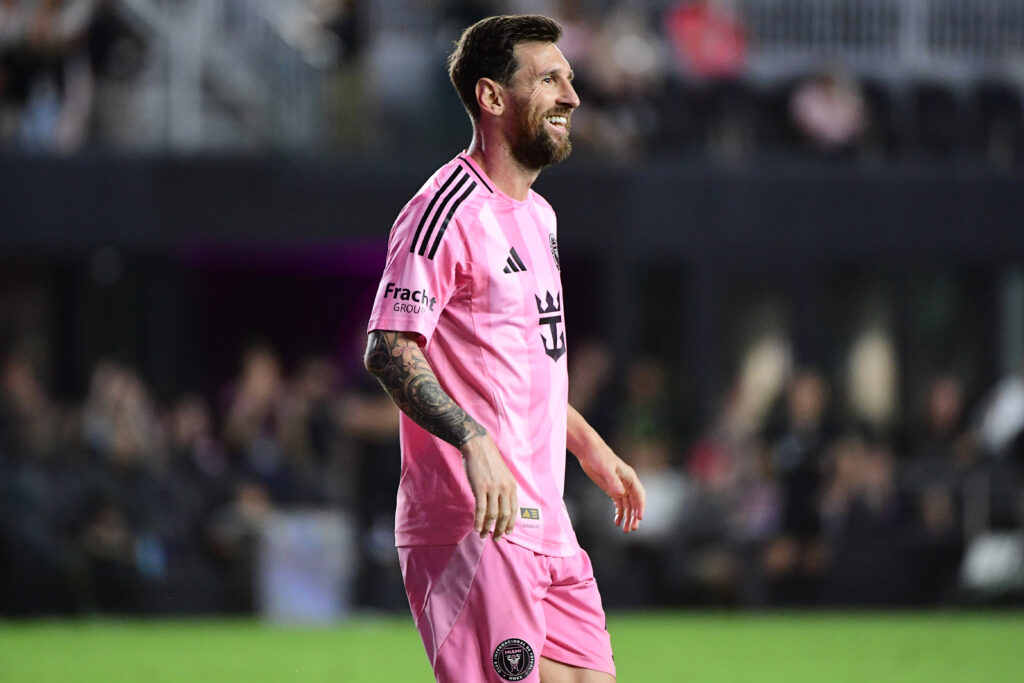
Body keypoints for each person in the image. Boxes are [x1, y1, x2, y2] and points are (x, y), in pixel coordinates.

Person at [363, 14, 645, 683]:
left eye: (570, 79)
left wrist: (587, 444)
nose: (572, 97)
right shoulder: (446, 207)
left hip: (547, 517)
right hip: (476, 519)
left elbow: (520, 370)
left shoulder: (539, 216)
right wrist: (473, 439)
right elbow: (389, 345)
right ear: (493, 98)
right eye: (550, 80)